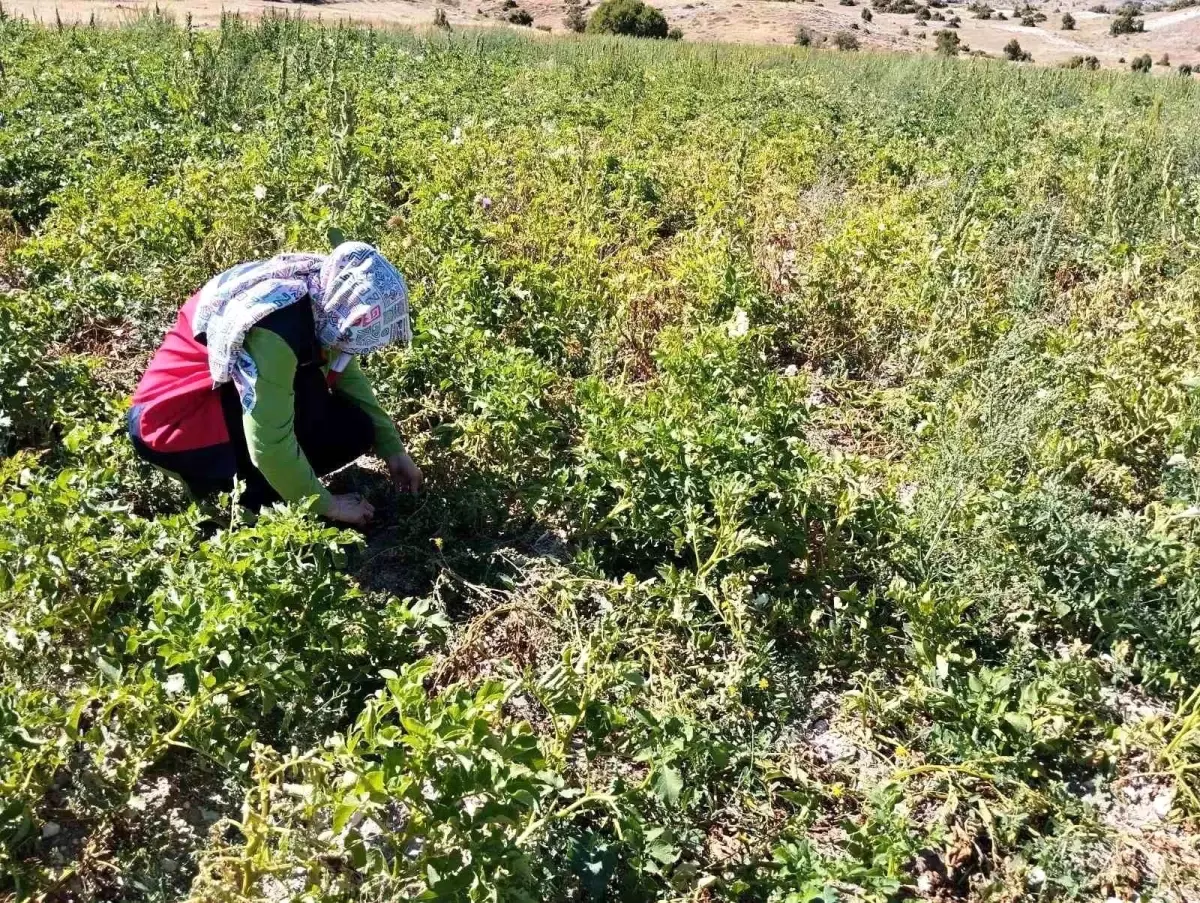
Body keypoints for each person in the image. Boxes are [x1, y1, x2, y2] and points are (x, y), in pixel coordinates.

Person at [127, 242, 421, 525]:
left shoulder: (323, 294)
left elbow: (344, 369)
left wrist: (393, 449)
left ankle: (275, 483)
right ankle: (245, 497)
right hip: (170, 427)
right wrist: (328, 505)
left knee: (355, 427)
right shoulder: (275, 331)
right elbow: (268, 446)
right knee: (310, 407)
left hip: (208, 402)